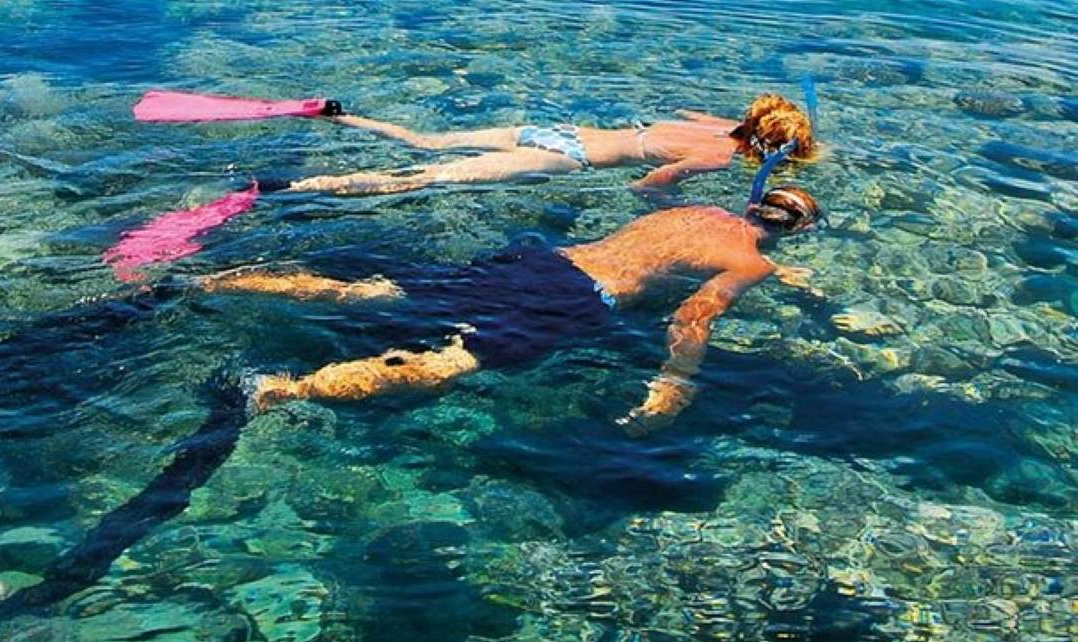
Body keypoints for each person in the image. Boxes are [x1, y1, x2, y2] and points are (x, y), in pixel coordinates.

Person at [197, 185, 823, 432]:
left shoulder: (692, 212)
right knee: (455, 361)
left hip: (542, 262)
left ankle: (217, 283)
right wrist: (675, 381)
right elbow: (692, 319)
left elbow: (653, 200)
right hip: (575, 300)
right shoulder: (751, 264)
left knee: (373, 291)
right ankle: (284, 389)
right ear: (794, 233)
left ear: (754, 205)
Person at [281, 93, 817, 196]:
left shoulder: (718, 129)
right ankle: (294, 187)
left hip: (561, 130)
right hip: (566, 156)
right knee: (424, 180)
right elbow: (651, 183)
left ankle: (340, 117)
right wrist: (662, 202)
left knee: (427, 143)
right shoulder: (719, 156)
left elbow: (683, 114)